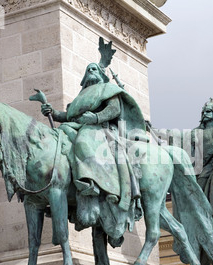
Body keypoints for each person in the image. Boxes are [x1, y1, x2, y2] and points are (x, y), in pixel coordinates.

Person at [41, 62, 147, 216]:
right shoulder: (81, 96)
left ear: (100, 74)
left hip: (99, 128)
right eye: (88, 69)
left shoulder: (107, 89)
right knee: (58, 143)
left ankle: (92, 183)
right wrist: (53, 113)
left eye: (94, 69)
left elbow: (114, 109)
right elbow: (70, 116)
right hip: (75, 126)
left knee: (83, 142)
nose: (91, 71)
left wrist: (96, 117)